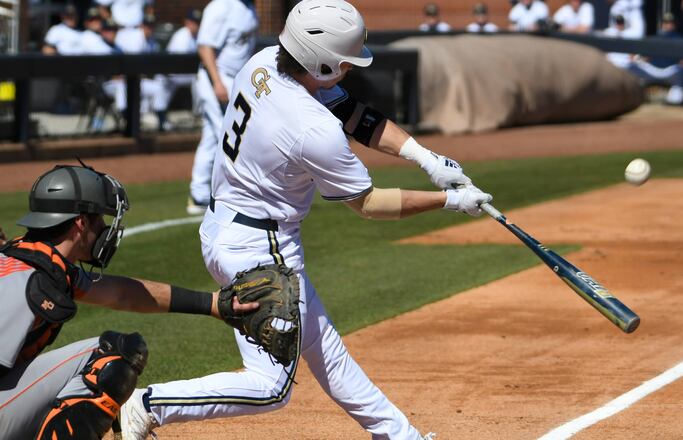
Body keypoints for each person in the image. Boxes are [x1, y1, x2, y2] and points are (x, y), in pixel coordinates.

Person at [117, 1, 490, 439]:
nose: (350, 68)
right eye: (346, 62)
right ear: (324, 62)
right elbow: (368, 204)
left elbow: (354, 114)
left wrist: (425, 158)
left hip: (231, 228)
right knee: (270, 386)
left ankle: (399, 436)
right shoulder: (312, 130)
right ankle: (146, 405)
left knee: (326, 349)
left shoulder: (265, 62)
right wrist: (447, 202)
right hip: (261, 250)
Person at [0, 164, 255, 439]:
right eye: (98, 219)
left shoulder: (40, 263)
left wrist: (213, 304)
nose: (104, 228)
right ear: (80, 223)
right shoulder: (26, 281)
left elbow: (123, 293)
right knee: (112, 355)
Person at [187, 0, 258, 215]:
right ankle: (231, 192)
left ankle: (198, 194)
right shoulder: (220, 6)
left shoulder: (249, 7)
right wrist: (217, 82)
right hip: (216, 76)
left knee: (212, 137)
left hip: (236, 78)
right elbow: (205, 47)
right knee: (230, 135)